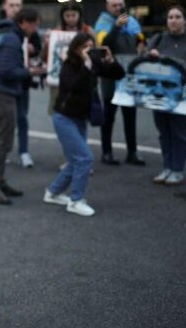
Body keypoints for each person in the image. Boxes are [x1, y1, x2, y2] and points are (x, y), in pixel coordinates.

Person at [44, 32, 125, 217]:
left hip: (80, 118)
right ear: (76, 48)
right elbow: (73, 85)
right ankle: (76, 200)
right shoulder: (69, 64)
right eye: (84, 47)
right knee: (84, 158)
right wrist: (88, 65)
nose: (88, 50)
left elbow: (119, 74)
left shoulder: (94, 64)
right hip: (63, 118)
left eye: (91, 46)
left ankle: (53, 192)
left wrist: (110, 61)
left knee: (76, 160)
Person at [0, 7, 46, 205]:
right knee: (3, 143)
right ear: (24, 22)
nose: (35, 29)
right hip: (1, 94)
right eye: (35, 24)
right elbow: (7, 71)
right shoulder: (12, 39)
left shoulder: (7, 34)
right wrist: (30, 72)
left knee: (5, 141)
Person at [94, 0, 146, 166]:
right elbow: (104, 44)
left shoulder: (131, 22)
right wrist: (116, 27)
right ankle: (107, 152)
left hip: (128, 72)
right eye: (114, 5)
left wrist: (141, 47)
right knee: (109, 115)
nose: (118, 8)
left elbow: (141, 40)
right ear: (108, 8)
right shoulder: (103, 23)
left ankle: (132, 152)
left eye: (120, 5)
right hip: (110, 74)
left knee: (130, 115)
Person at [146, 5, 186, 185]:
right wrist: (150, 54)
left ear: (185, 21)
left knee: (179, 132)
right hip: (159, 93)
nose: (173, 20)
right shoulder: (158, 39)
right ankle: (167, 167)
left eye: (178, 17)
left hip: (181, 95)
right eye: (170, 17)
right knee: (164, 132)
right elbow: (143, 58)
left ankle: (178, 169)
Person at [0, 0, 42, 169]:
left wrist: (33, 50)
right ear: (5, 6)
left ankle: (23, 151)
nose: (15, 8)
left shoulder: (30, 30)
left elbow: (38, 48)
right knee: (5, 121)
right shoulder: (0, 28)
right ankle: (4, 151)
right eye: (12, 5)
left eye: (18, 5)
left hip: (22, 81)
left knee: (22, 117)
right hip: (6, 83)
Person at [44, 1, 94, 115]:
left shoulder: (88, 31)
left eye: (73, 15)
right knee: (59, 108)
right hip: (60, 77)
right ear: (62, 16)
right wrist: (47, 43)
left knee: (80, 110)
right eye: (67, 16)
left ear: (79, 15)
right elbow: (46, 57)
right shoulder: (56, 32)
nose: (70, 19)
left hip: (81, 76)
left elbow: (95, 54)